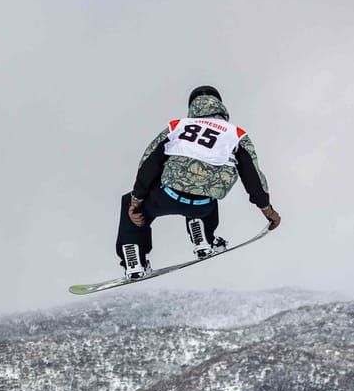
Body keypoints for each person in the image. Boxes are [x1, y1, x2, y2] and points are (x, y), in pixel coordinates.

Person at [116, 85, 281, 279]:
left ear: (192, 107)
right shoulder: (236, 134)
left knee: (130, 203)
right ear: (220, 106)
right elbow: (252, 176)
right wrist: (267, 209)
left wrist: (136, 200)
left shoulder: (178, 126)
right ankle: (204, 239)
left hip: (167, 196)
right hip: (203, 206)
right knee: (207, 188)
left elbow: (149, 162)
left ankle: (134, 260)